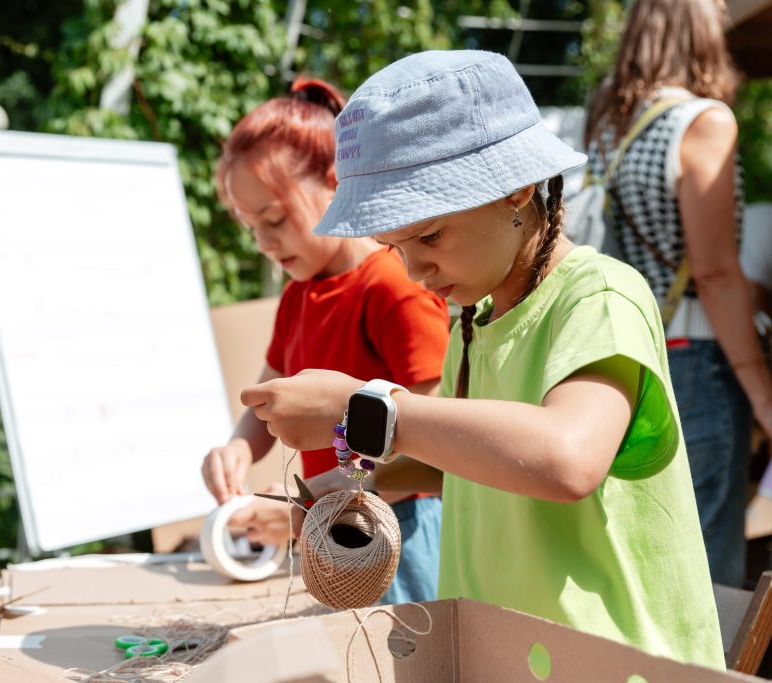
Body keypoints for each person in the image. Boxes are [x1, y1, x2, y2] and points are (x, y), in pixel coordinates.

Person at [243, 50, 724, 668]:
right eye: (394, 245)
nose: (414, 269)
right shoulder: (474, 318)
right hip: (508, 657)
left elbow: (564, 459)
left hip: (614, 664)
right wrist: (332, 493)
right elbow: (461, 470)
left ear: (515, 189)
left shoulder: (599, 296)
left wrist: (362, 407)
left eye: (431, 236)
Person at [201, 78, 451, 603]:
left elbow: (440, 442)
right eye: (251, 227)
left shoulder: (393, 287)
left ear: (336, 184)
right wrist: (239, 448)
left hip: (400, 529)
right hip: (330, 530)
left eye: (275, 218)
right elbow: (267, 396)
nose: (265, 242)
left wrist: (307, 505)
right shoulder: (298, 296)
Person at [583, 0, 772, 587]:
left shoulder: (610, 124)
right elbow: (714, 274)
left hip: (625, 353)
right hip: (696, 359)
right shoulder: (703, 122)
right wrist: (764, 395)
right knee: (706, 568)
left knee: (648, 560)